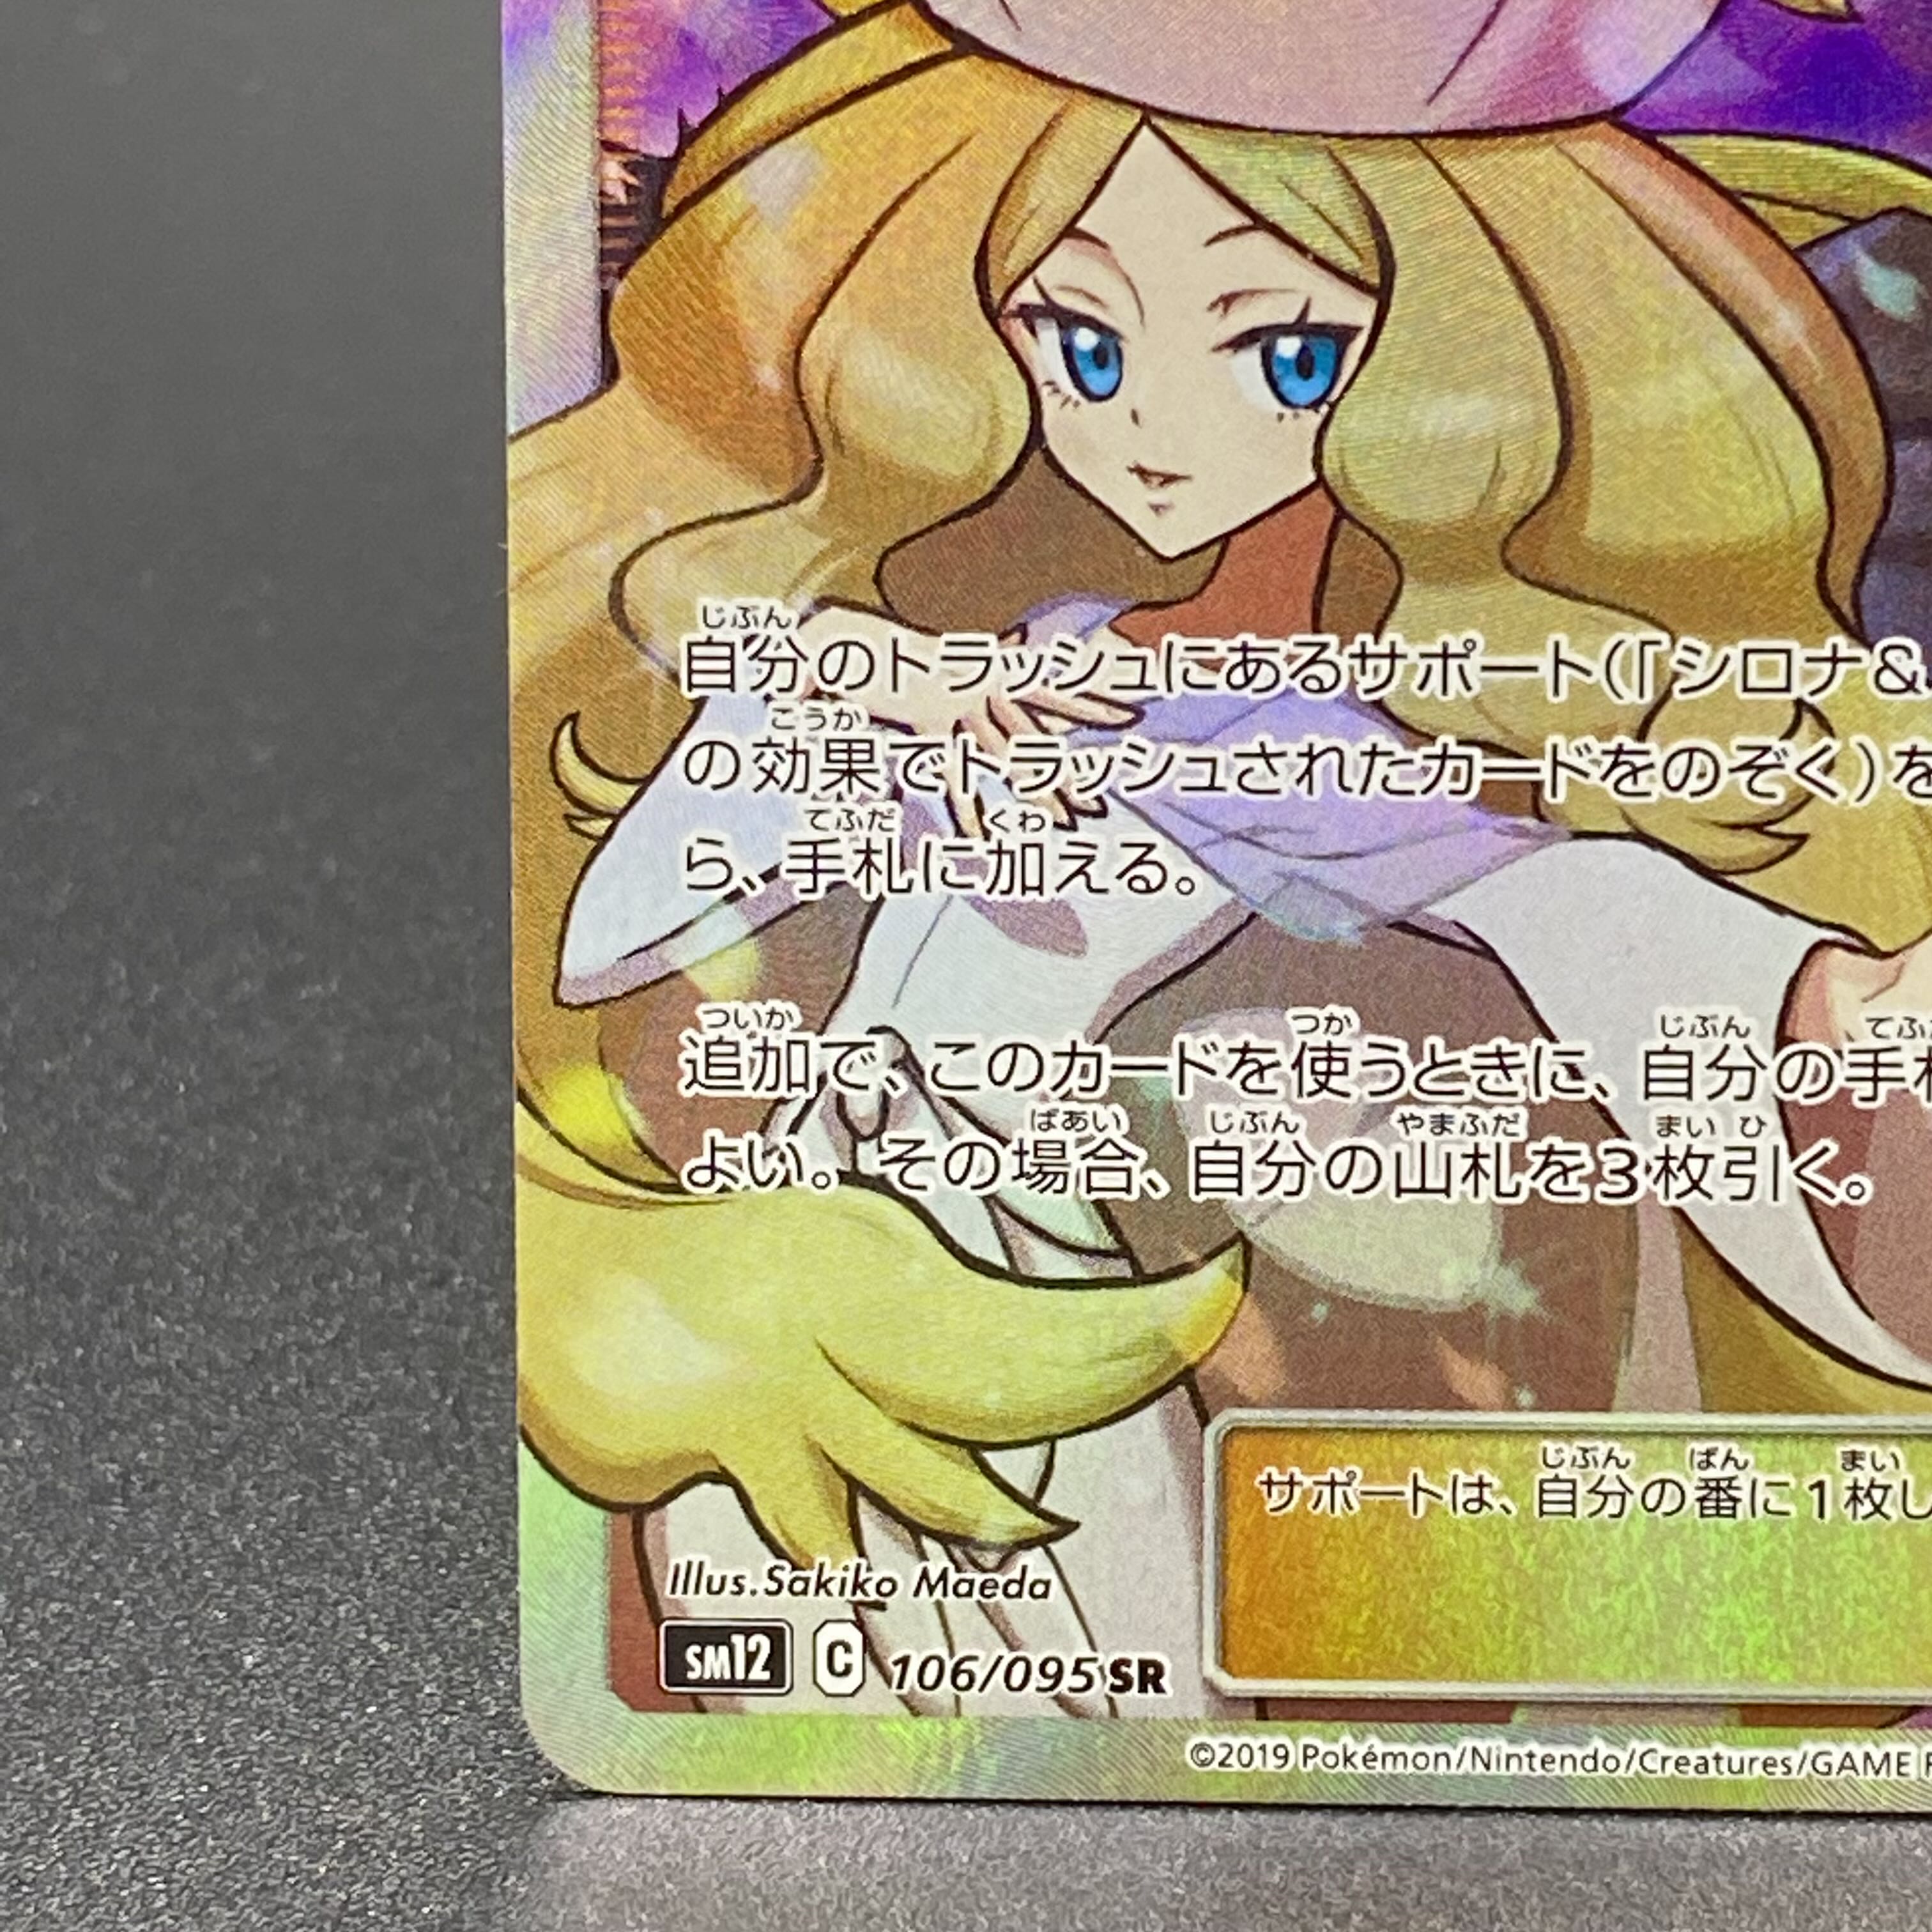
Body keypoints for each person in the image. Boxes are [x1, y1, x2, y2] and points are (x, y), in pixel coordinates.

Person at [514, 0, 1932, 1712]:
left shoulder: (1373, 748)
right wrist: (888, 696)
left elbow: (1577, 913)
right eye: (1080, 340)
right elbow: (642, 898)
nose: (1152, 431)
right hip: (847, 1444)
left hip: (1153, 1467)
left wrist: (1838, 1018)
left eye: (1288, 354)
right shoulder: (968, 667)